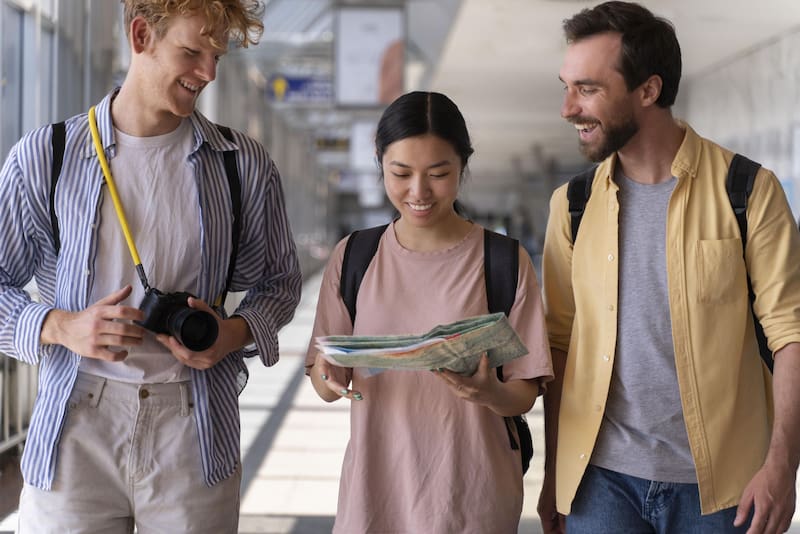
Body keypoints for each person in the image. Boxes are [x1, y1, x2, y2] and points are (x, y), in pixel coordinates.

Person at [0, 1, 301, 532]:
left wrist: (231, 334)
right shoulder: (47, 157)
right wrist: (61, 325)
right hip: (76, 424)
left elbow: (279, 281)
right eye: (191, 52)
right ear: (141, 36)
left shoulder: (242, 165)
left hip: (194, 425)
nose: (207, 72)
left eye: (216, 56)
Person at [538, 2, 800, 533]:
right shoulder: (572, 205)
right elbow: (559, 347)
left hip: (724, 487)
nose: (568, 108)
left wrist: (782, 465)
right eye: (566, 86)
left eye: (587, 89)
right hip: (600, 482)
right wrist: (553, 477)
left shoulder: (748, 190)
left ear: (649, 90)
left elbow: (790, 333)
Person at [305, 91, 553, 533]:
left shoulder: (503, 261)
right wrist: (330, 375)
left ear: (463, 166)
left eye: (439, 174)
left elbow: (526, 389)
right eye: (400, 173)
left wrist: (487, 393)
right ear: (380, 162)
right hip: (376, 493)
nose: (418, 192)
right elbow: (324, 381)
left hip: (472, 495)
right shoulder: (355, 256)